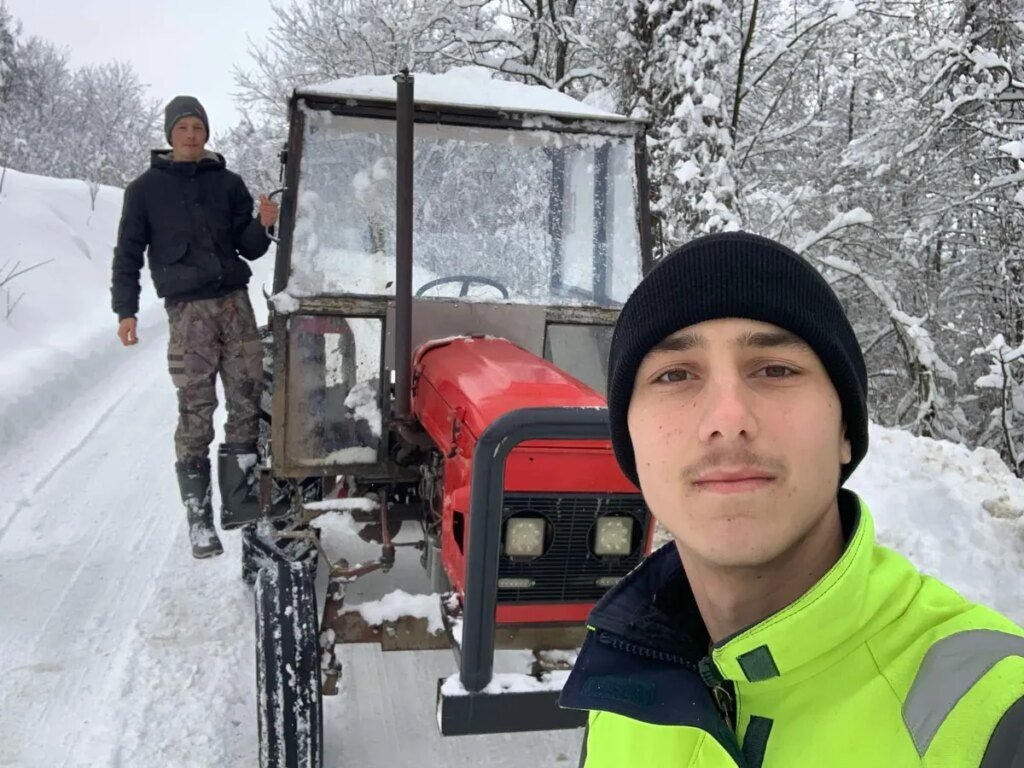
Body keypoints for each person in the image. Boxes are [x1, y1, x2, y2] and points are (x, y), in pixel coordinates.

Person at [560, 232, 1024, 767]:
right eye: (675, 375)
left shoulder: (998, 714)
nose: (727, 419)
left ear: (845, 428)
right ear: (630, 441)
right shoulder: (621, 698)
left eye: (775, 369)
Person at [110, 95, 280, 559]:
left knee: (247, 399)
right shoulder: (144, 190)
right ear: (170, 134)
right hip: (188, 314)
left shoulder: (228, 183)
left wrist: (263, 224)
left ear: (207, 132)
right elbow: (127, 254)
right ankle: (199, 518)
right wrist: (126, 311)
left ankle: (241, 506)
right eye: (183, 127)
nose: (191, 135)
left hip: (235, 305)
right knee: (195, 409)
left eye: (198, 127)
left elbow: (249, 247)